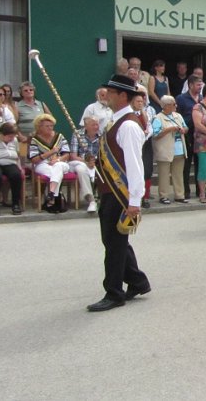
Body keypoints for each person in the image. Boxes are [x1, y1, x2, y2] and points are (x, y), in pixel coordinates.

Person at [87, 74, 151, 312]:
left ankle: (114, 292)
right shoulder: (116, 122)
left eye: (111, 93)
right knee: (115, 241)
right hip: (109, 190)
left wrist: (135, 200)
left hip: (120, 193)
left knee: (114, 244)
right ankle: (137, 281)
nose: (107, 96)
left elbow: (135, 165)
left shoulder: (129, 126)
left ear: (123, 96)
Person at [29, 113, 71, 210]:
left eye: (51, 126)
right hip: (43, 164)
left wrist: (57, 159)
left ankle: (51, 196)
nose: (50, 128)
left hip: (61, 162)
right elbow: (34, 159)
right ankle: (55, 198)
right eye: (47, 126)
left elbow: (67, 154)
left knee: (58, 166)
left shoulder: (59, 136)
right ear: (39, 127)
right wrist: (50, 152)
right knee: (56, 173)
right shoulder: (35, 140)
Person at [152, 95, 188, 204]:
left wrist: (183, 130)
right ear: (166, 106)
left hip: (179, 149)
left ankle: (179, 195)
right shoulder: (158, 118)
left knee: (178, 174)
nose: (175, 106)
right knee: (164, 174)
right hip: (165, 149)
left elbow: (186, 127)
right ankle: (164, 195)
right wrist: (169, 129)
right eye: (173, 104)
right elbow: (155, 134)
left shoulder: (178, 116)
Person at [176, 74, 203, 199]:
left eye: (201, 85)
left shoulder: (202, 99)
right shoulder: (181, 98)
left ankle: (199, 190)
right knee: (186, 163)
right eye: (197, 85)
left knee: (199, 162)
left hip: (201, 135)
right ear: (190, 85)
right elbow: (177, 116)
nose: (200, 87)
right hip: (187, 134)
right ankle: (185, 191)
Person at [69, 116, 101, 212]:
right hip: (79, 162)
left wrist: (94, 161)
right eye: (93, 125)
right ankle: (91, 200)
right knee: (81, 169)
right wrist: (86, 162)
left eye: (97, 124)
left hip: (96, 162)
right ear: (86, 126)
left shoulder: (102, 136)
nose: (96, 127)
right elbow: (73, 156)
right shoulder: (77, 134)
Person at [16, 81, 52, 150]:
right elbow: (14, 123)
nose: (29, 92)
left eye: (31, 90)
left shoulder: (41, 104)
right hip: (25, 139)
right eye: (25, 90)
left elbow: (50, 119)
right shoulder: (17, 106)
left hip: (41, 139)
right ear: (21, 93)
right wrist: (20, 136)